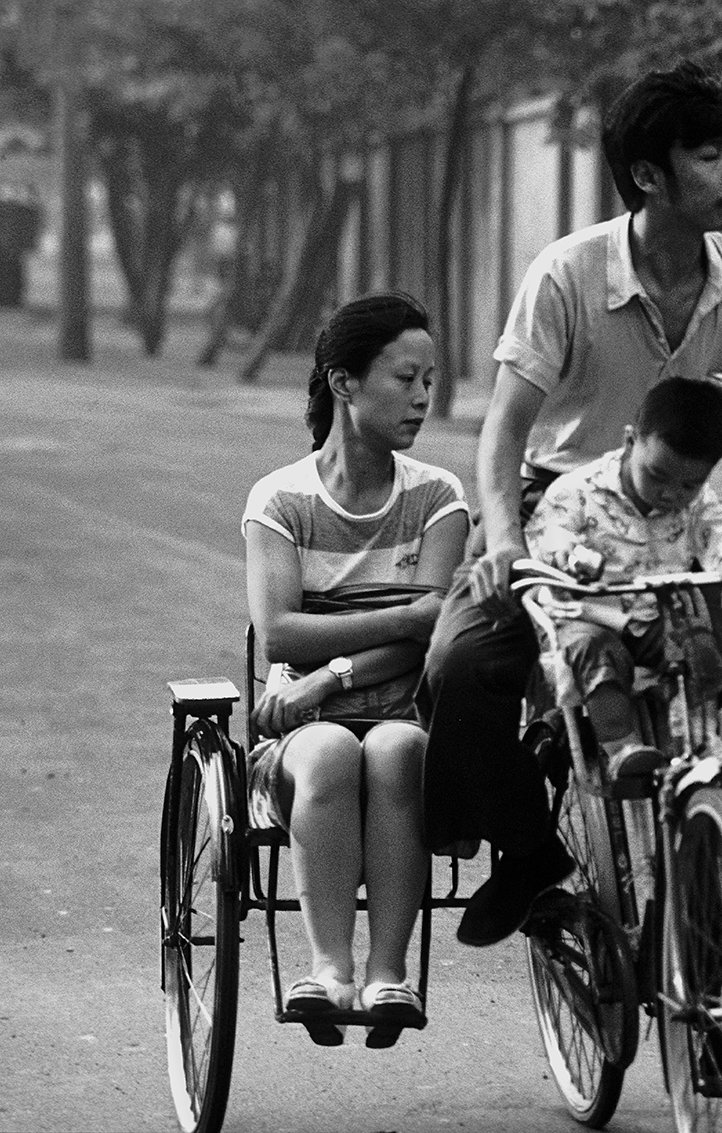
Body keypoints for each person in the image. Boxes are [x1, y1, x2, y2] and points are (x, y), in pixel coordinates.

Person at [416, 61, 722, 1099]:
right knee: (460, 668)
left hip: (676, 528)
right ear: (649, 176)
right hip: (557, 513)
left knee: (715, 760)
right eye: (711, 154)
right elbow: (505, 426)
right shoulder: (567, 271)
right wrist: (508, 539)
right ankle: (528, 852)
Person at [243, 291, 468, 1049]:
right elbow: (279, 632)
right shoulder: (281, 499)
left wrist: (330, 670)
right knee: (335, 748)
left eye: (430, 381)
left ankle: (388, 974)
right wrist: (404, 617)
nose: (422, 397)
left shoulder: (439, 499)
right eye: (405, 378)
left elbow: (430, 639)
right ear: (344, 382)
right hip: (299, 733)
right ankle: (329, 969)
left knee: (398, 748)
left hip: (401, 714)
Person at [525, 377, 722, 781]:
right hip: (588, 613)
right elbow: (549, 531)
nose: (671, 494)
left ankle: (702, 740)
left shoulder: (697, 503)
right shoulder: (579, 490)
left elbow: (721, 526)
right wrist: (564, 550)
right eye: (658, 475)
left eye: (689, 483)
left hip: (654, 614)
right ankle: (622, 749)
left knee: (697, 643)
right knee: (591, 649)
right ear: (631, 441)